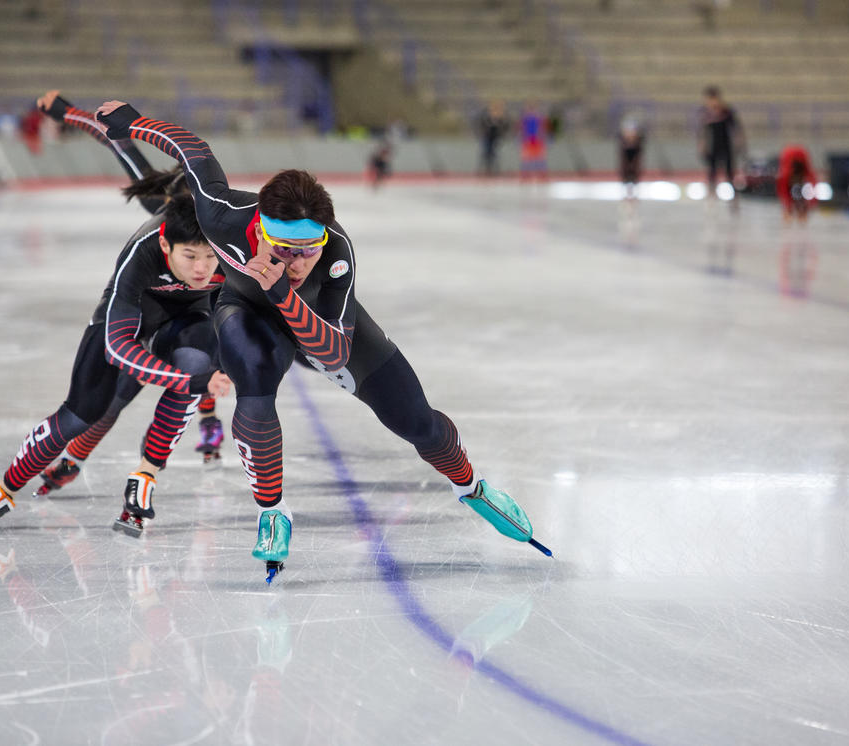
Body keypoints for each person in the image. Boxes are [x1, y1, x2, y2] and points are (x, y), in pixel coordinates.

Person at [95, 99, 550, 581]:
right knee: (254, 382)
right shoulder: (224, 216)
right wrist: (134, 124)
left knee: (418, 424)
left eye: (306, 252)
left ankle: (473, 487)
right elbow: (192, 149)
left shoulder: (337, 253)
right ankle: (273, 510)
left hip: (320, 324)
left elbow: (330, 351)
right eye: (284, 250)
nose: (296, 263)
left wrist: (284, 293)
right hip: (247, 311)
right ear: (260, 231)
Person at [0, 195, 233, 536]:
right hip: (131, 318)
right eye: (190, 256)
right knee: (87, 412)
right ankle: (5, 489)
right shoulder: (140, 256)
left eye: (210, 256)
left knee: (198, 361)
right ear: (165, 243)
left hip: (188, 317)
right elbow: (119, 350)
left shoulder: (230, 246)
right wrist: (192, 383)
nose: (202, 269)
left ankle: (145, 475)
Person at [30, 91, 227, 499]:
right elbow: (116, 138)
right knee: (118, 392)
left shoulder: (221, 225)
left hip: (197, 309)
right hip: (163, 306)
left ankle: (203, 416)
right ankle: (78, 455)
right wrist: (67, 113)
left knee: (200, 340)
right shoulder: (162, 208)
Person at [697, 86, 745, 206]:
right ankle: (712, 193)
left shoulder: (726, 111)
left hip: (726, 145)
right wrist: (702, 144)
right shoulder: (706, 113)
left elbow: (736, 127)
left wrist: (739, 141)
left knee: (729, 171)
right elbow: (702, 131)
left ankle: (733, 195)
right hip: (712, 145)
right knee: (712, 170)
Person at [775, 145, 817, 223]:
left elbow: (814, 184)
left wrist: (810, 204)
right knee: (787, 192)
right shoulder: (785, 175)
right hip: (791, 156)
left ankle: (798, 212)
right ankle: (793, 212)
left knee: (796, 196)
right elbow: (783, 192)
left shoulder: (805, 170)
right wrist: (787, 207)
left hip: (796, 155)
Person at [477, 100, 509, 177]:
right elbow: (482, 125)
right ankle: (486, 171)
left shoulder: (501, 118)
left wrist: (501, 131)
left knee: (494, 155)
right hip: (487, 138)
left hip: (496, 139)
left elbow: (505, 127)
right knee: (486, 154)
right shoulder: (486, 117)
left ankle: (494, 171)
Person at [518, 102, 548, 182]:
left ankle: (542, 173)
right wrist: (524, 138)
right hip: (528, 139)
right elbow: (522, 129)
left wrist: (541, 137)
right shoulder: (525, 119)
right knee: (527, 158)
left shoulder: (539, 118)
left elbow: (542, 129)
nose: (531, 110)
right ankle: (525, 174)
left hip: (537, 139)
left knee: (539, 157)